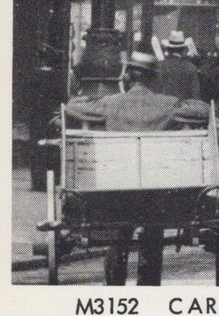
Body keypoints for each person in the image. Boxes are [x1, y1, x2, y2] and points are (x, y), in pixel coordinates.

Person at [66, 49, 209, 286]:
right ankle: (149, 283)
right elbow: (203, 111)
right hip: (157, 192)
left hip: (117, 188)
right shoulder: (169, 105)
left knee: (118, 234)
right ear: (153, 79)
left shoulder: (110, 104)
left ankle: (115, 283)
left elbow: (72, 108)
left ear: (128, 77)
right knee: (153, 233)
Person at [155, 31, 201, 101]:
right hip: (183, 110)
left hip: (162, 108)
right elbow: (195, 97)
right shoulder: (191, 68)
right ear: (183, 50)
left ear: (168, 49)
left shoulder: (159, 66)